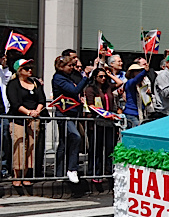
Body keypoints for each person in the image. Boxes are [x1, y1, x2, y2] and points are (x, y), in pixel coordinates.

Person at [52, 55, 93, 183]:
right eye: (69, 66)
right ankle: (72, 168)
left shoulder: (68, 77)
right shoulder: (59, 78)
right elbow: (74, 90)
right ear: (61, 67)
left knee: (65, 143)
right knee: (75, 137)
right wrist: (85, 77)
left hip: (72, 112)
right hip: (64, 114)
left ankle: (60, 173)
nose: (72, 68)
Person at [6, 59, 46, 192]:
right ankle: (17, 175)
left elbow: (42, 99)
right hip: (19, 118)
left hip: (34, 118)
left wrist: (37, 111)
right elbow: (15, 102)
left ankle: (27, 174)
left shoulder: (35, 83)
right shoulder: (13, 84)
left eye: (31, 67)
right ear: (19, 70)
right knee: (20, 145)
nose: (30, 70)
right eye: (26, 68)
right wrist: (28, 112)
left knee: (31, 147)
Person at [83, 67, 120, 183]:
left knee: (109, 147)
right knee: (96, 148)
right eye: (101, 76)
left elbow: (120, 83)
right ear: (95, 77)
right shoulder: (90, 89)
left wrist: (110, 75)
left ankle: (108, 170)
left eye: (104, 76)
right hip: (96, 122)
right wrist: (104, 113)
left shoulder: (107, 87)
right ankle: (94, 171)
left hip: (109, 122)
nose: (103, 78)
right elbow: (91, 105)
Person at [122, 63, 148, 129]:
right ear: (132, 73)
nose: (139, 72)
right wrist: (145, 71)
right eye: (137, 71)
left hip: (140, 113)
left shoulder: (142, 85)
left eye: (140, 71)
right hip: (131, 113)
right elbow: (135, 80)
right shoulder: (129, 83)